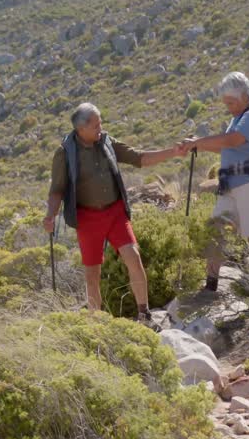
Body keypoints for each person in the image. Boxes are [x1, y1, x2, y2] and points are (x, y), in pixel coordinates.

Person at [44, 102, 185, 323]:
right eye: (96, 125)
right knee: (92, 275)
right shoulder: (64, 153)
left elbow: (139, 158)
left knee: (133, 256)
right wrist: (50, 215)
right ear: (81, 129)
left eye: (101, 123)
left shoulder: (107, 142)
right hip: (87, 219)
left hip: (115, 212)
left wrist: (173, 152)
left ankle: (144, 315)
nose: (101, 128)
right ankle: (97, 323)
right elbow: (57, 191)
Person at [179, 71, 249, 292]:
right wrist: (196, 145)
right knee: (216, 231)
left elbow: (233, 140)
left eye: (232, 102)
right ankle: (210, 286)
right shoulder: (237, 118)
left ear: (245, 96)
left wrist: (199, 140)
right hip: (230, 186)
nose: (229, 107)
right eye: (226, 103)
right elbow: (224, 145)